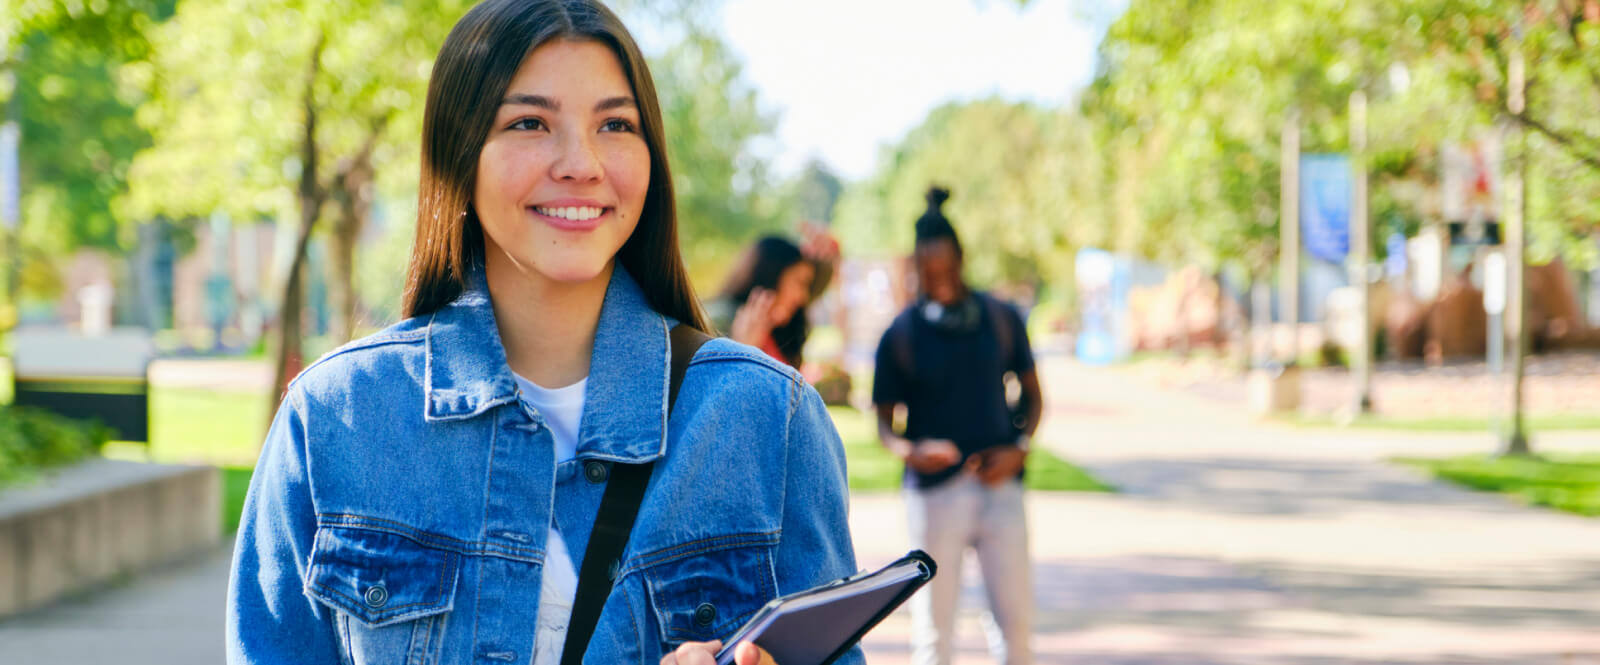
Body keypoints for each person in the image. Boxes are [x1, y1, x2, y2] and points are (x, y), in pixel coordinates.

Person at [225, 2, 859, 664]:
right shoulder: (333, 419)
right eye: (530, 122)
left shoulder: (768, 422)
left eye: (615, 124)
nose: (581, 163)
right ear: (459, 152)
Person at [871, 186, 1044, 665]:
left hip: (1001, 487)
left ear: (961, 259)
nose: (938, 277)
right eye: (927, 270)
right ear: (915, 268)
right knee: (933, 632)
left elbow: (1034, 395)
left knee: (1016, 626)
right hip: (934, 494)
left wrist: (1021, 446)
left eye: (945, 266)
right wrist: (911, 451)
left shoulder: (1002, 318)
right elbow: (884, 427)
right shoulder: (901, 334)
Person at [705, 232, 834, 368]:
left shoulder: (775, 333)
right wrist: (745, 351)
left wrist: (829, 258)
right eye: (800, 282)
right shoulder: (719, 319)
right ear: (772, 275)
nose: (803, 297)